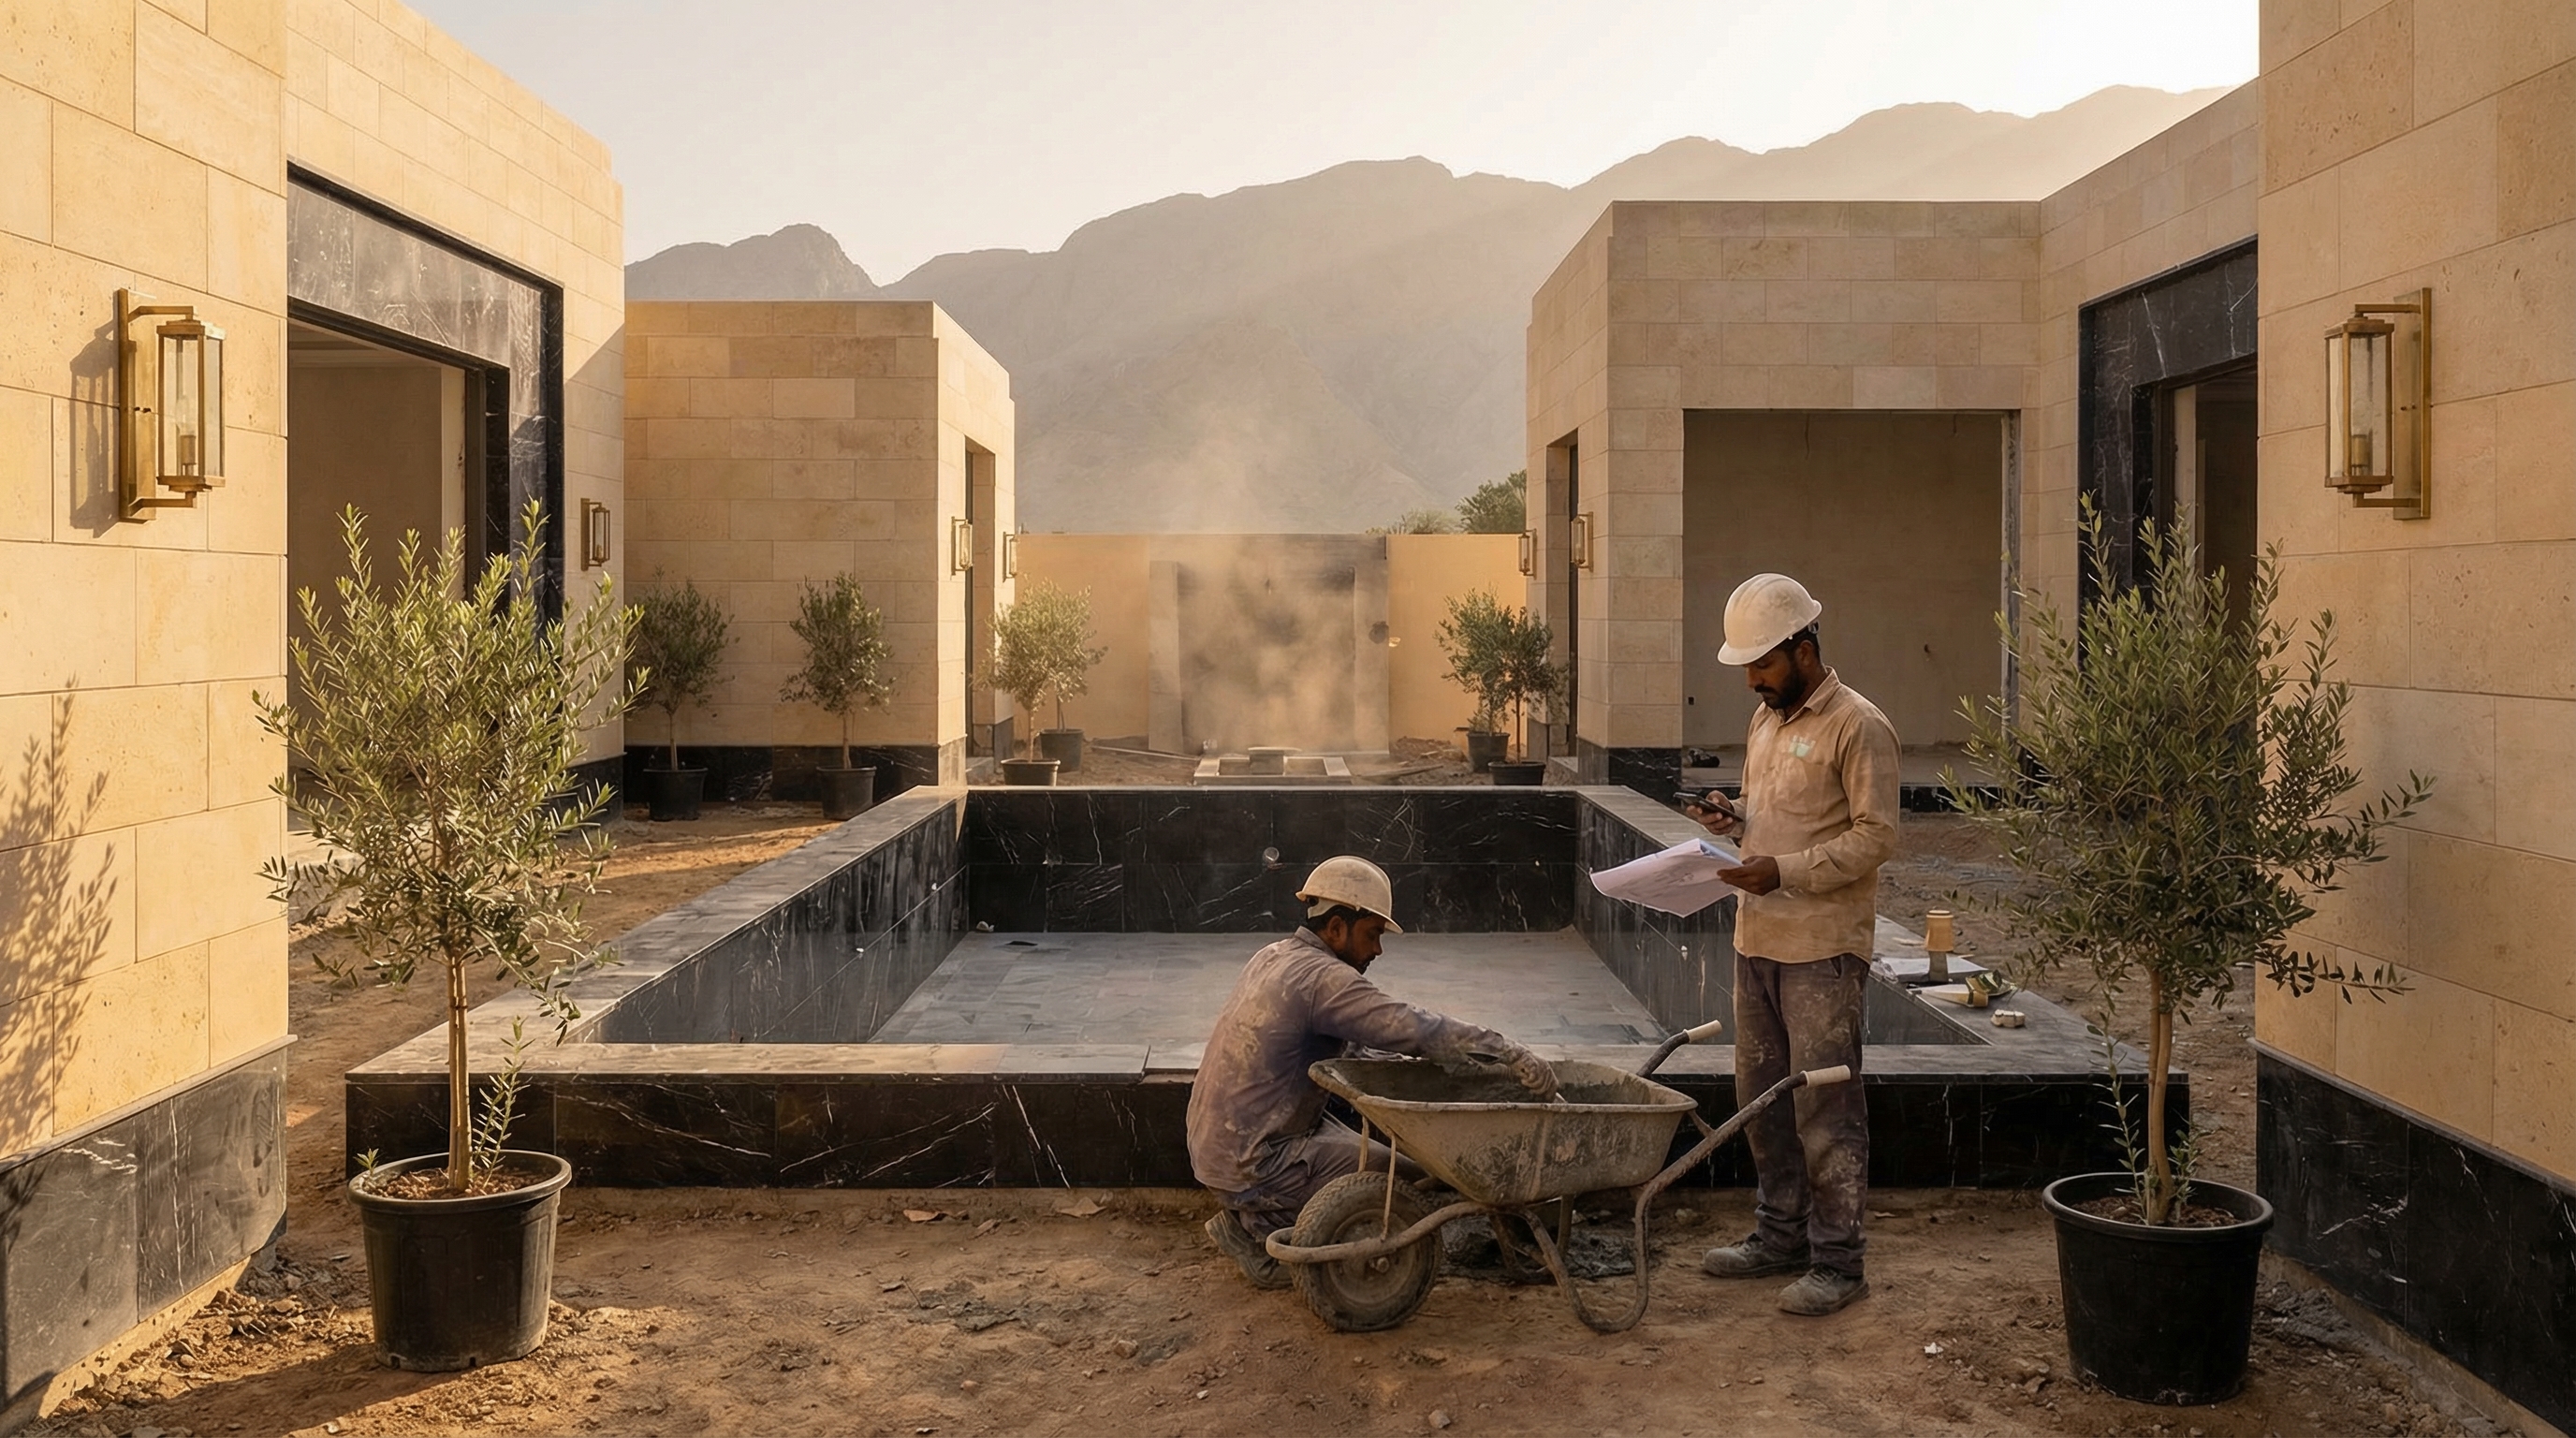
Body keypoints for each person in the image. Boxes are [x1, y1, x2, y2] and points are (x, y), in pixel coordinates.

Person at [1187, 855, 1558, 1288]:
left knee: (1382, 1159)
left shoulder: (1274, 955)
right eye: (1373, 934)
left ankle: (1253, 1216)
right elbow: (1412, 1026)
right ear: (1337, 927)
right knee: (1407, 1181)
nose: (1377, 950)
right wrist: (1507, 1052)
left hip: (1220, 1143)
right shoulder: (1324, 979)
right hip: (1257, 1160)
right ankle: (1263, 1233)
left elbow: (1358, 1048)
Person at [1684, 572, 1898, 1317]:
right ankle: (1779, 1235)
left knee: (1826, 1109)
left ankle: (1839, 1262)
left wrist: (1786, 871)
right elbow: (1775, 814)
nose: (1752, 680)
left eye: (1763, 665)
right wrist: (1734, 817)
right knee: (1762, 1101)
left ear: (1804, 650)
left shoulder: (1858, 726)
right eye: (1747, 667)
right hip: (1759, 939)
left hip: (1822, 950)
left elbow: (1876, 837)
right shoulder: (1765, 721)